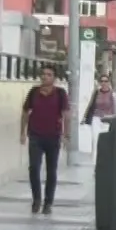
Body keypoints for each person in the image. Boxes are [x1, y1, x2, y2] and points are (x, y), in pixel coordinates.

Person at [22, 64, 70, 213]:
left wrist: (66, 134)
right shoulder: (34, 92)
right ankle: (37, 199)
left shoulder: (60, 93)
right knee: (34, 168)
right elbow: (25, 112)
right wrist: (22, 132)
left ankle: (48, 202)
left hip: (53, 136)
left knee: (51, 170)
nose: (45, 77)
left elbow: (66, 114)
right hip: (35, 135)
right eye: (43, 74)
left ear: (54, 78)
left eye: (49, 74)